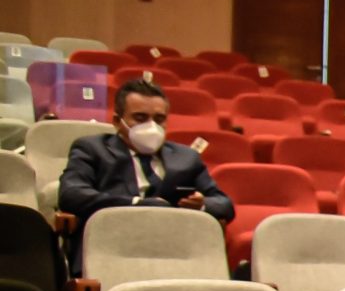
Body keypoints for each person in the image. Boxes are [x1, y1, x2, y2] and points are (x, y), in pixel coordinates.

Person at [56, 78, 234, 229]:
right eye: (140, 118)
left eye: (159, 119)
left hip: (173, 244)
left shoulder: (186, 157)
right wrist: (136, 204)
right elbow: (72, 194)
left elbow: (224, 204)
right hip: (112, 237)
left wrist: (201, 204)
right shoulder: (92, 149)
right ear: (118, 121)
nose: (151, 126)